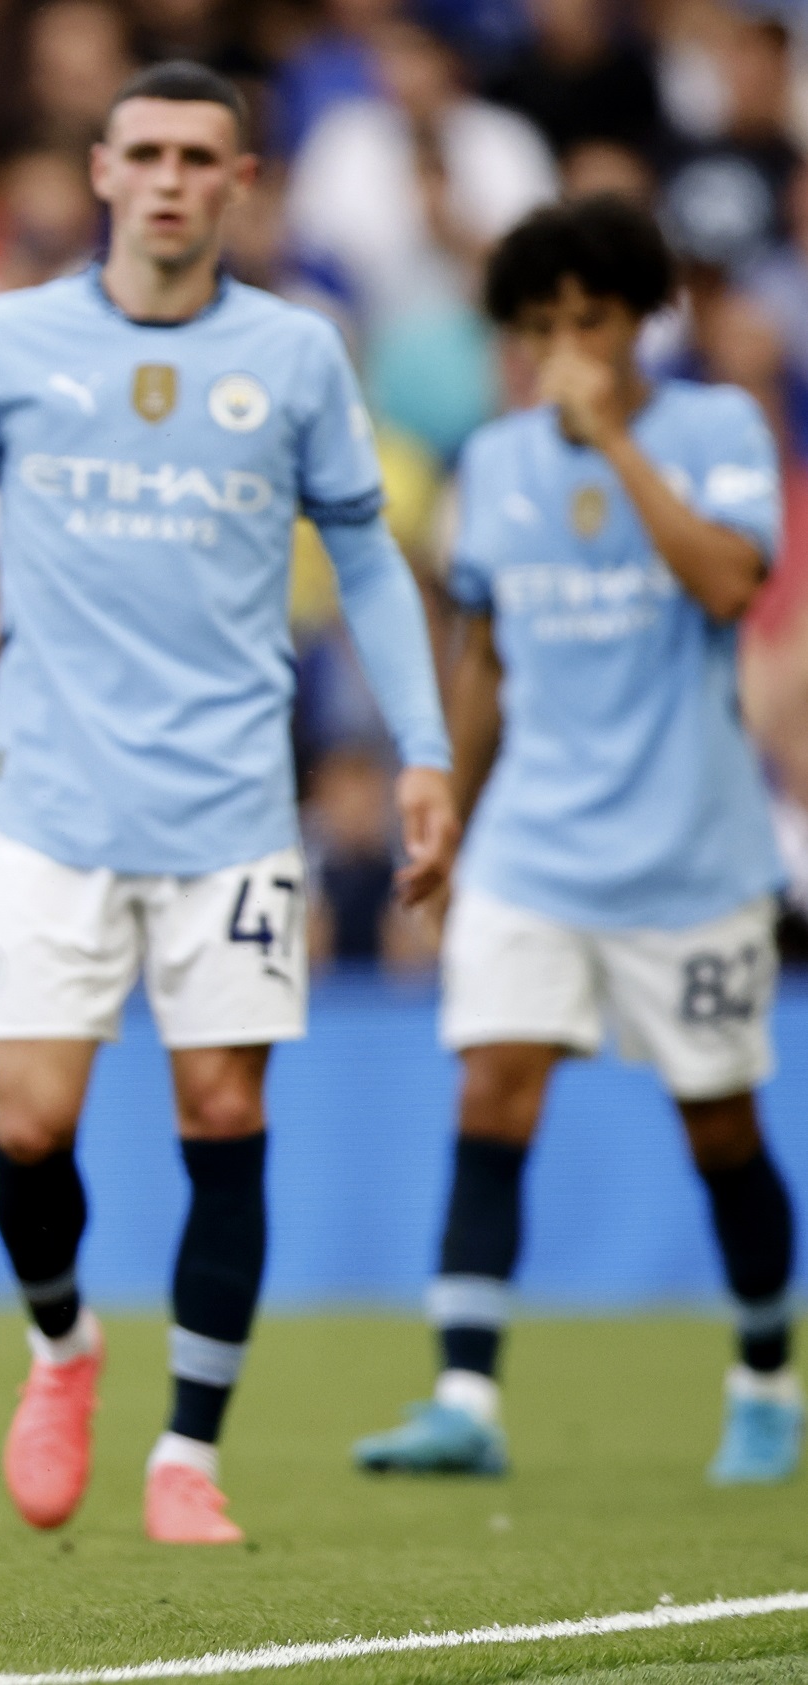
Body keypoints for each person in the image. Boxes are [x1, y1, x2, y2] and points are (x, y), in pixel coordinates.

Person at [0, 62, 458, 1544]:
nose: (168, 178)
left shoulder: (295, 354)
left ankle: (188, 1453)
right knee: (31, 1125)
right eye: (144, 152)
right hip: (43, 795)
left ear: (239, 183)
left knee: (221, 1106)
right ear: (101, 170)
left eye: (198, 157)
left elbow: (363, 558)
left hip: (232, 803)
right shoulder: (6, 342)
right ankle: (60, 1350)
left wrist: (421, 748)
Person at [355, 197, 800, 1487]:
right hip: (533, 846)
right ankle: (461, 1398)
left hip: (690, 853)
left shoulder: (711, 428)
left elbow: (727, 584)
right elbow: (485, 651)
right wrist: (447, 796)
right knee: (493, 1086)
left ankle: (765, 1378)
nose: (564, 348)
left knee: (718, 1122)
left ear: (639, 321)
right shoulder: (491, 464)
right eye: (540, 325)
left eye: (589, 323)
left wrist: (611, 442)